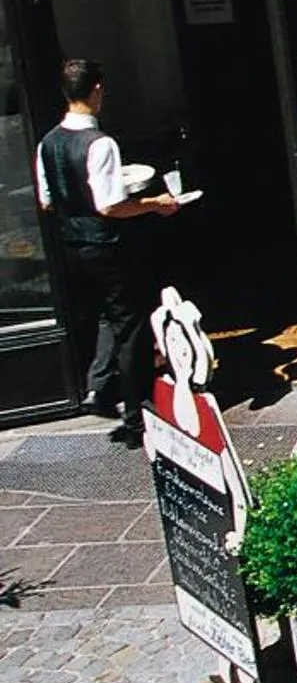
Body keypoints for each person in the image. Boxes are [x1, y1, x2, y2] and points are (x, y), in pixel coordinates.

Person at [34, 60, 179, 447]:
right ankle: (135, 415)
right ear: (96, 90)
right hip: (105, 243)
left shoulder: (47, 142)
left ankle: (98, 387)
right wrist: (153, 203)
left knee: (104, 315)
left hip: (70, 244)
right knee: (130, 326)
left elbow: (47, 201)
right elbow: (110, 205)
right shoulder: (101, 144)